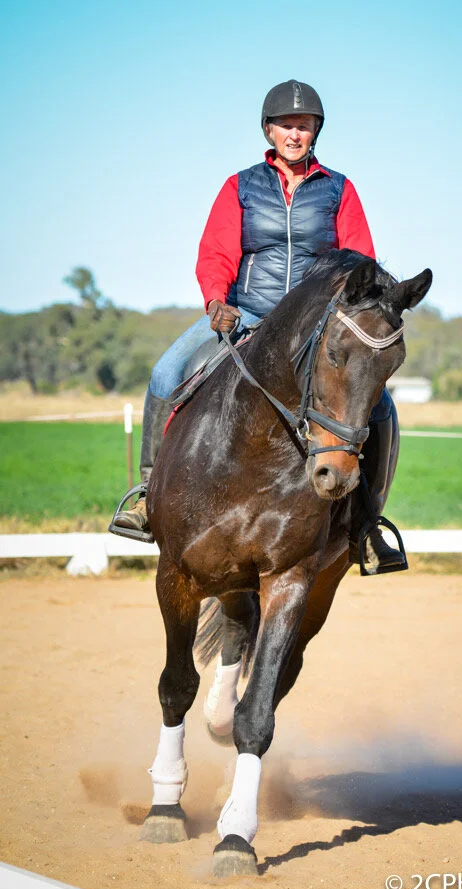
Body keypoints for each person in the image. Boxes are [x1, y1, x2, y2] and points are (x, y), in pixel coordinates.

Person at [112, 79, 405, 573]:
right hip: (246, 311)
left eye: (305, 126)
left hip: (316, 322)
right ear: (269, 131)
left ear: (316, 132)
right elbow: (217, 251)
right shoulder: (241, 185)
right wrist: (215, 302)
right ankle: (146, 494)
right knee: (166, 373)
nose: (296, 134)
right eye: (287, 125)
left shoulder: (339, 188)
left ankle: (367, 524)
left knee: (380, 405)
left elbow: (361, 261)